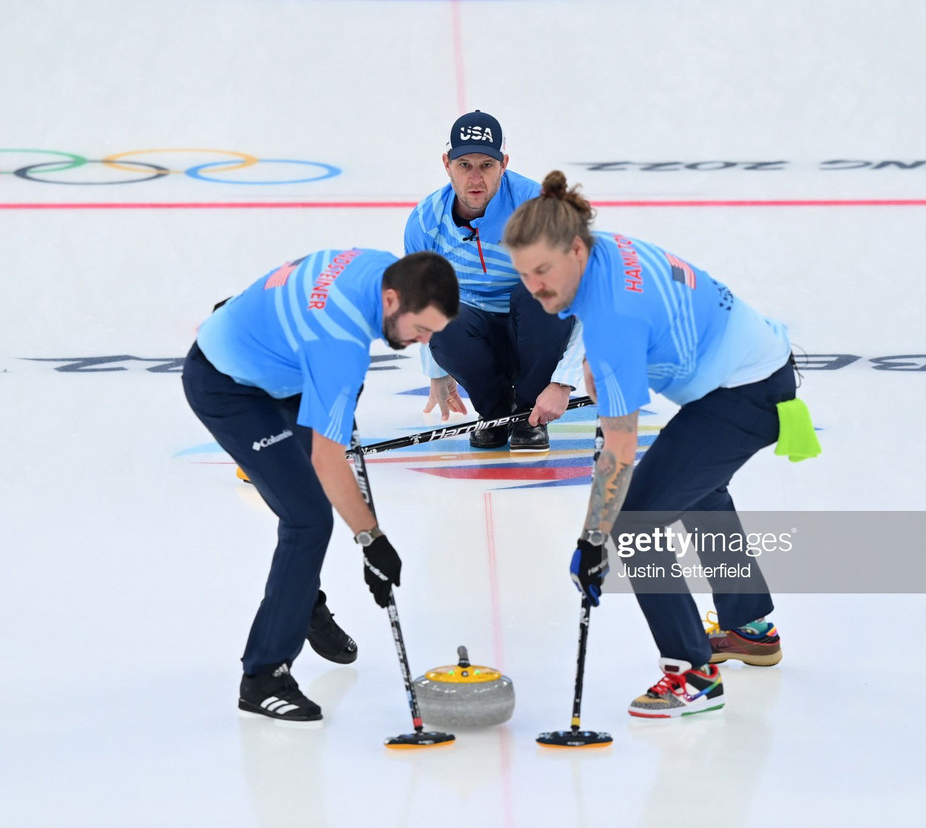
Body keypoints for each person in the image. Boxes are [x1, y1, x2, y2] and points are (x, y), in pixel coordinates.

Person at [503, 171, 816, 718]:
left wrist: (594, 539)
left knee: (635, 519)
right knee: (698, 488)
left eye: (544, 271)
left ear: (575, 249)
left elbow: (619, 450)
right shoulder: (600, 254)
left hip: (746, 394)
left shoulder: (614, 320)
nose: (535, 288)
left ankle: (691, 673)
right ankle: (750, 627)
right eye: (525, 274)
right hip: (750, 370)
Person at [182, 249, 460, 721]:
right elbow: (328, 461)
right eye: (421, 330)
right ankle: (263, 674)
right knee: (308, 519)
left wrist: (341, 394)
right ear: (391, 300)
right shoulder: (339, 341)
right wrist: (372, 541)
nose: (422, 342)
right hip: (228, 387)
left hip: (284, 366)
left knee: (308, 508)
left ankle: (299, 602)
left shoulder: (383, 271)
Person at [404, 111, 583, 451]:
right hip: (480, 337)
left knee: (537, 292)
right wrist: (437, 373)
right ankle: (498, 414)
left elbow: (587, 299)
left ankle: (530, 415)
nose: (475, 178)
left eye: (486, 165)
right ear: (446, 164)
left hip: (536, 334)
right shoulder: (425, 221)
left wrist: (563, 382)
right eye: (464, 165)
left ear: (504, 164)